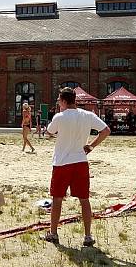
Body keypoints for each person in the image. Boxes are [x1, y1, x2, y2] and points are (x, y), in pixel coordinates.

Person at [43, 87, 110, 247]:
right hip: (80, 162)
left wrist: (58, 117)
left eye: (59, 101)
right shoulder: (87, 115)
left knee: (57, 199)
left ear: (64, 101)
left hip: (62, 163)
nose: (59, 103)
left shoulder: (60, 116)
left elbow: (49, 132)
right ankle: (87, 236)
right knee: (84, 200)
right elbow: (106, 131)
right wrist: (91, 146)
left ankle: (53, 233)